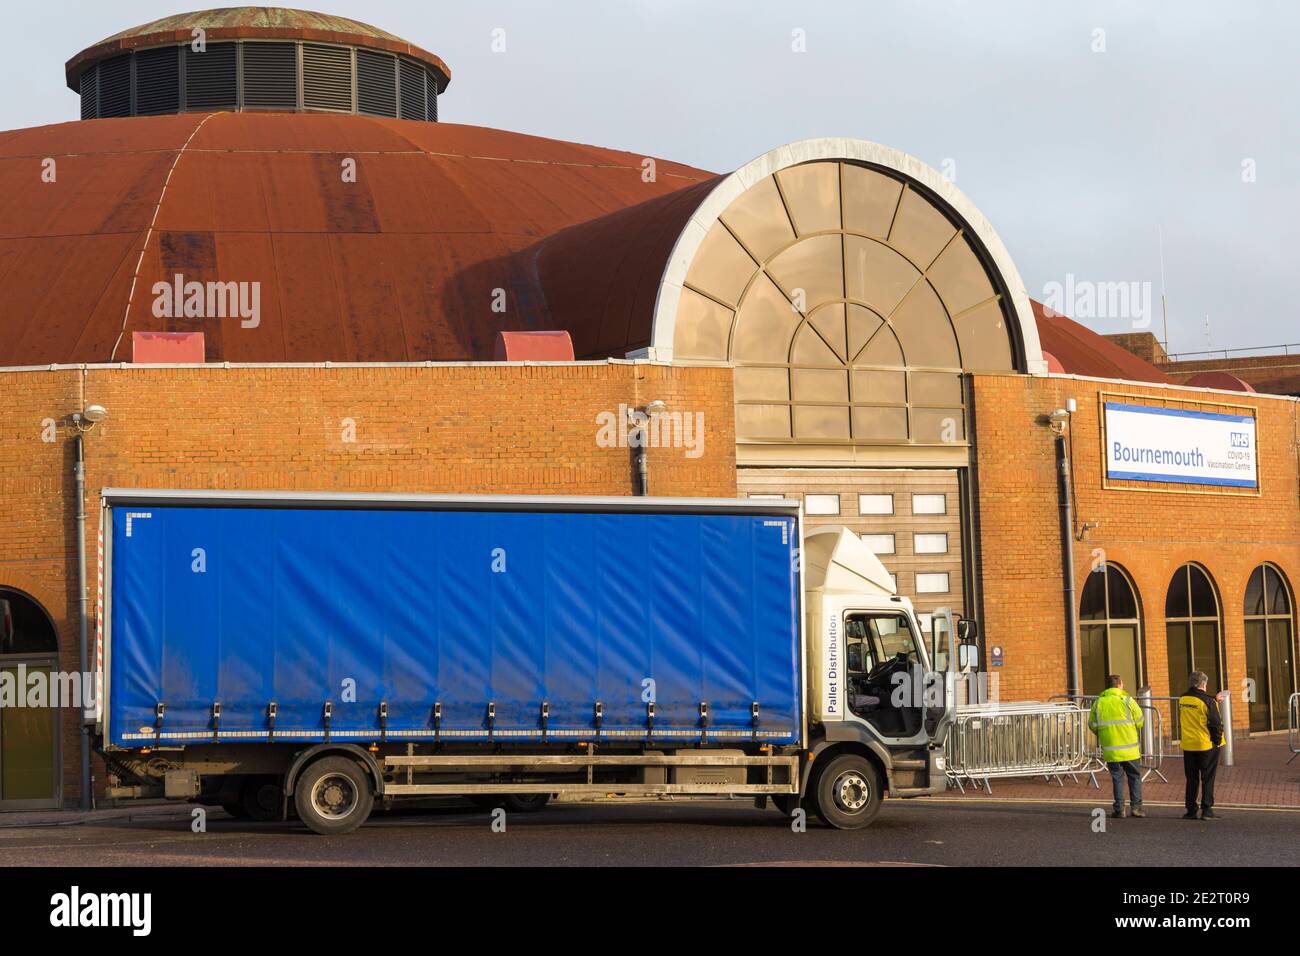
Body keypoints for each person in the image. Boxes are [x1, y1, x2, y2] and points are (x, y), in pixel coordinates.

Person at [1088, 675, 1144, 818]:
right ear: (1119, 685)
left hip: (1111, 750)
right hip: (1130, 749)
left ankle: (1120, 809)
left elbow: (1092, 725)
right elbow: (1140, 721)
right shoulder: (1127, 700)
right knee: (1134, 778)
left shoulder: (1099, 703)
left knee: (1117, 779)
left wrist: (1104, 734)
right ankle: (1136, 808)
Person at [1178, 671, 1224, 820]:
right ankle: (1207, 809)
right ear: (1204, 684)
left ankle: (1191, 810)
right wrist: (1217, 741)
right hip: (1205, 744)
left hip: (1188, 745)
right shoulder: (1209, 702)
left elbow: (1197, 700)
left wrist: (1213, 699)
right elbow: (1216, 724)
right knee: (1208, 778)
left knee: (1191, 779)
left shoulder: (1183, 699)